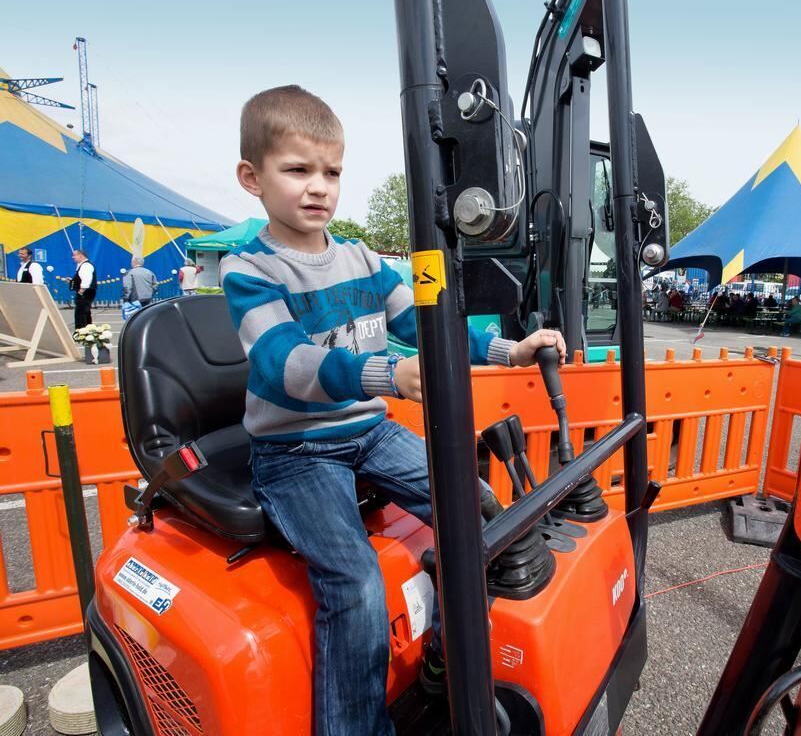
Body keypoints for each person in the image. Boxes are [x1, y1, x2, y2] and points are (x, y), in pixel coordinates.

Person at [221, 85, 566, 736]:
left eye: (331, 172)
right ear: (252, 177)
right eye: (297, 170)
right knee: (355, 584)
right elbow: (283, 365)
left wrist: (509, 350)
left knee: (476, 510)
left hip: (366, 432)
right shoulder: (250, 270)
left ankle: (442, 654)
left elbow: (429, 322)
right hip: (295, 451)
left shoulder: (363, 259)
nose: (318, 187)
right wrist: (384, 375)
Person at [70, 249, 96, 331]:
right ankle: (86, 331)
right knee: (85, 313)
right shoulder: (82, 265)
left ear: (81, 256)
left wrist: (81, 291)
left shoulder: (86, 266)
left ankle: (82, 331)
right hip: (85, 292)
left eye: (74, 255)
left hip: (85, 293)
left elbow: (86, 279)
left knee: (81, 313)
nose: (73, 257)